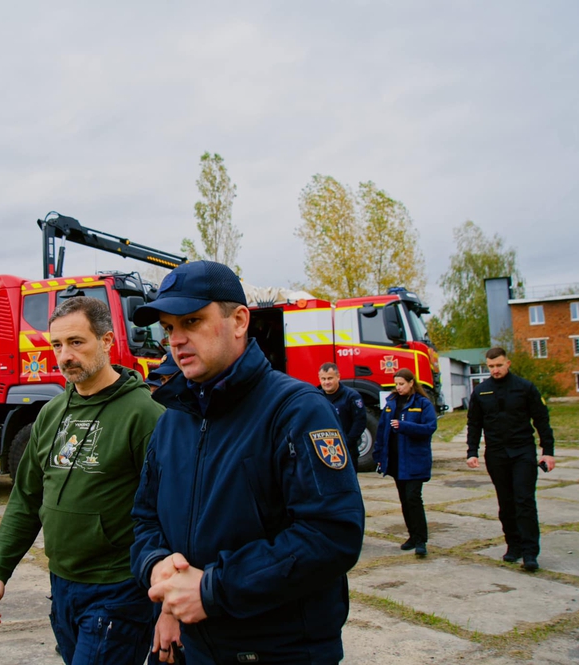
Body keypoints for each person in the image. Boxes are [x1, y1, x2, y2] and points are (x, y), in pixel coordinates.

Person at [130, 260, 365, 665]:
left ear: (239, 320)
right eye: (169, 328)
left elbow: (331, 535)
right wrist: (156, 567)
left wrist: (214, 589)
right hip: (200, 648)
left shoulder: (296, 411)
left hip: (282, 650)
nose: (177, 340)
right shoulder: (171, 421)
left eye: (192, 321)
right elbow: (145, 518)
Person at [0, 296, 168, 664]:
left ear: (108, 341)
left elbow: (172, 511)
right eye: (57, 345)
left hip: (119, 589)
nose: (64, 356)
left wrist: (169, 605)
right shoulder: (50, 414)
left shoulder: (144, 415)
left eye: (76, 342)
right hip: (62, 585)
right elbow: (26, 499)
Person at [466, 346, 555, 572]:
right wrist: (472, 452)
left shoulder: (525, 388)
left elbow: (542, 420)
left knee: (524, 501)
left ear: (508, 363)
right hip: (496, 454)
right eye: (491, 366)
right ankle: (513, 546)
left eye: (499, 365)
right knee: (506, 504)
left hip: (522, 452)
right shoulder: (481, 392)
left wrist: (547, 451)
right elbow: (474, 424)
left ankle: (530, 552)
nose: (495, 370)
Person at [373, 368, 437, 557]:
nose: (399, 388)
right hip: (396, 461)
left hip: (414, 460)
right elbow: (382, 430)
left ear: (411, 383)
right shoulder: (391, 403)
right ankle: (412, 536)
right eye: (396, 384)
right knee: (404, 500)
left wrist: (405, 426)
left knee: (413, 498)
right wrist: (378, 456)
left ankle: (421, 540)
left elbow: (429, 427)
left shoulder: (422, 403)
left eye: (402, 384)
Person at [317, 362, 367, 454]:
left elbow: (360, 421)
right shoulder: (317, 397)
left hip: (347, 450)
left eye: (330, 378)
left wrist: (347, 442)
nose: (326, 382)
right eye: (323, 379)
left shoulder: (351, 396)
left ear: (338, 377)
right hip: (324, 450)